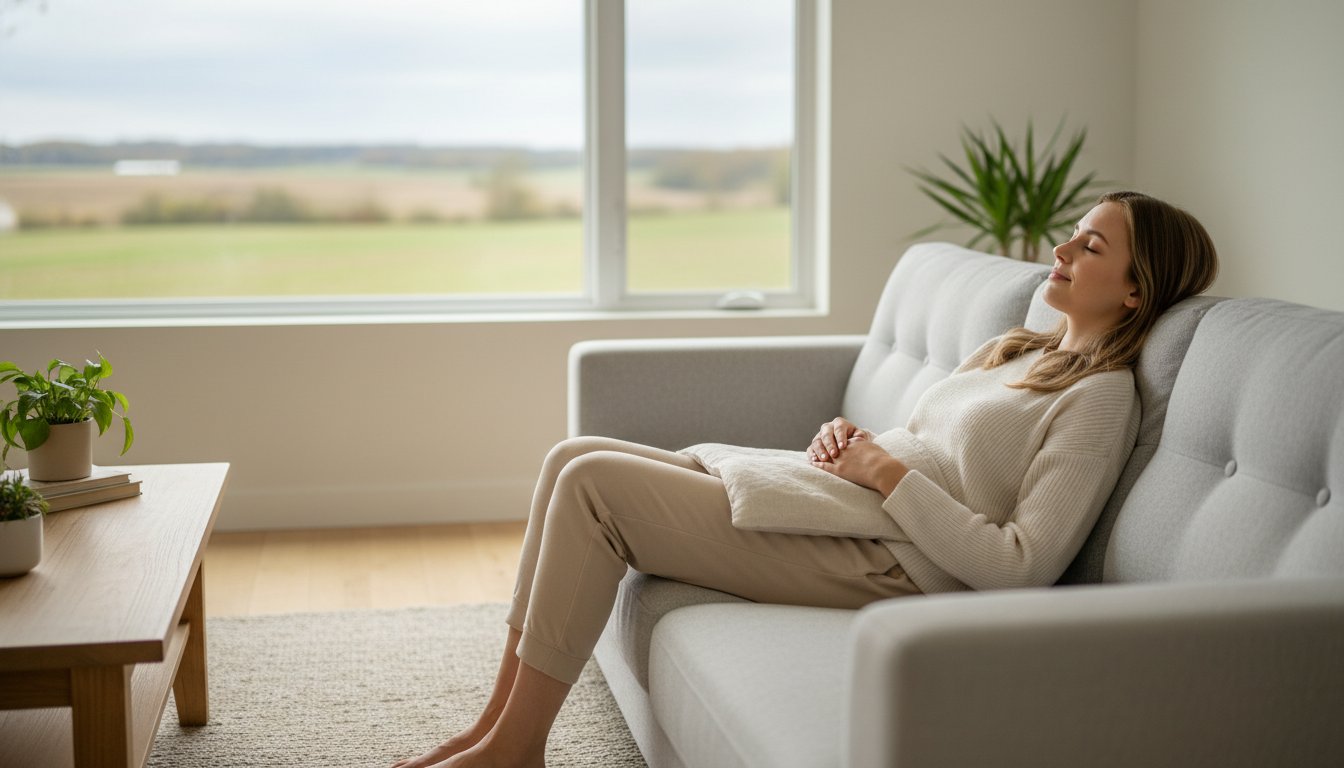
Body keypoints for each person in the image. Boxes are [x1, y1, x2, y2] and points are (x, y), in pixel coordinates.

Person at [392, 191, 1219, 768]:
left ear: (1138, 288)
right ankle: (492, 732)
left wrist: (887, 473)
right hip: (855, 505)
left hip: (898, 567)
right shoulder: (1021, 348)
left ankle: (516, 752)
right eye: (1072, 234)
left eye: (1092, 245)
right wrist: (853, 441)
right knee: (570, 457)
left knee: (594, 487)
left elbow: (1021, 563)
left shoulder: (1102, 399)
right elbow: (925, 441)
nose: (1063, 249)